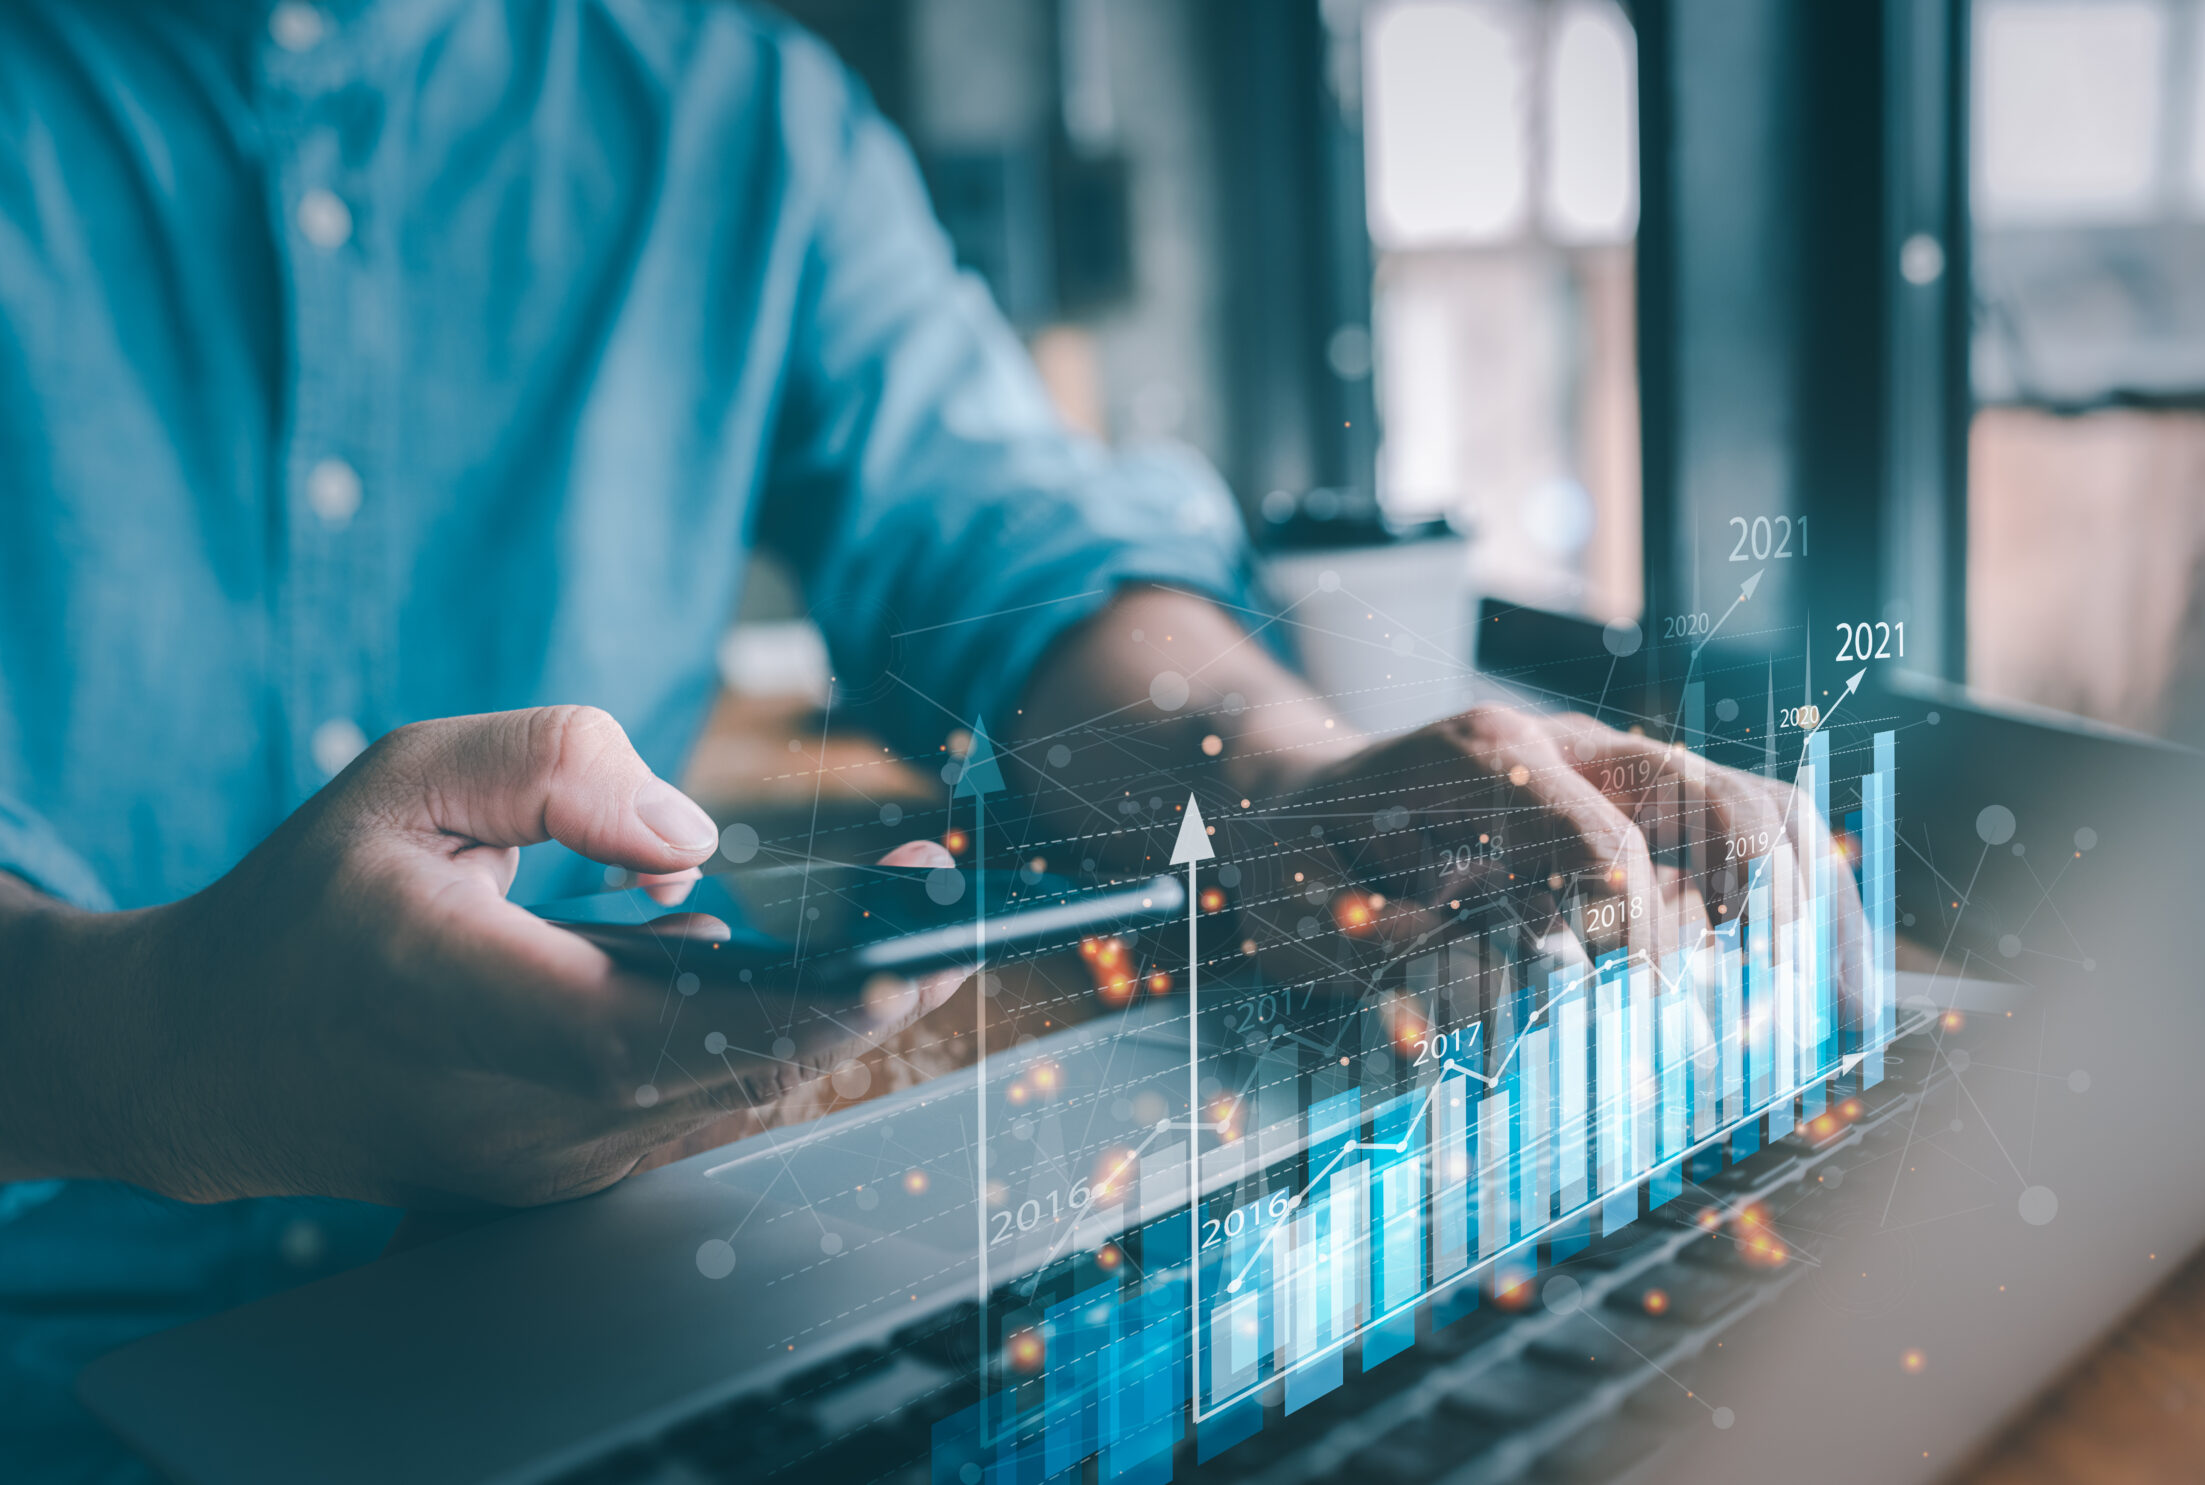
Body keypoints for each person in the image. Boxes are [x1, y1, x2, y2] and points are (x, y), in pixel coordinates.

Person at [0, 1, 1806, 1476]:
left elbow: (1007, 539)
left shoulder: (739, 116)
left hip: (560, 1329)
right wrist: (147, 1046)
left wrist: (1276, 784)